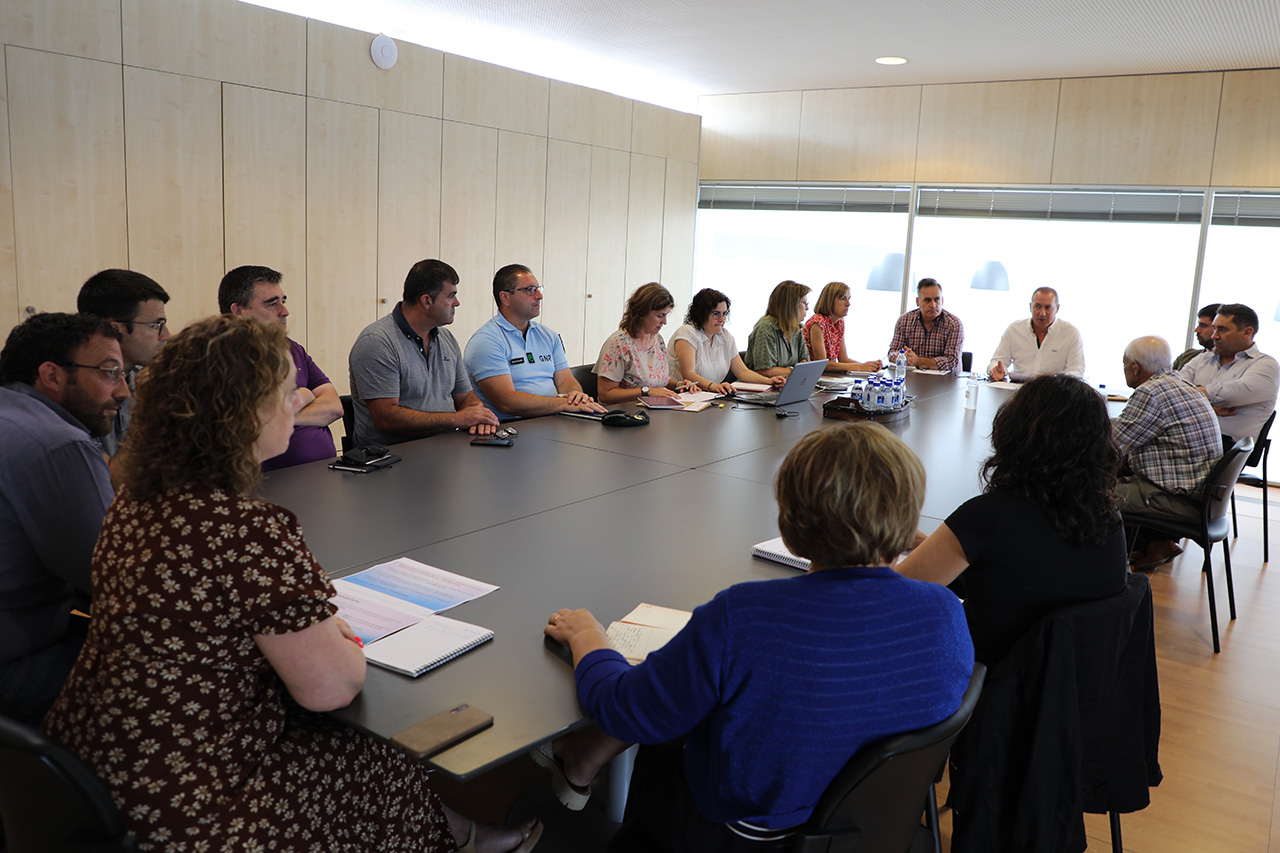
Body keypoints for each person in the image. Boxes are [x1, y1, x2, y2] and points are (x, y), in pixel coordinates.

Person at [42, 315, 541, 853]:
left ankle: (453, 831)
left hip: (90, 758)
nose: (298, 402)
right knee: (379, 749)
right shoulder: (247, 528)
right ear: (244, 414)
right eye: (286, 394)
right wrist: (341, 633)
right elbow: (332, 687)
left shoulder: (134, 500)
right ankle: (447, 839)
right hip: (188, 798)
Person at [542, 422, 973, 851]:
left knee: (673, 731)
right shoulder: (947, 617)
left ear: (790, 523)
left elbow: (622, 709)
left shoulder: (744, 618)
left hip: (740, 836)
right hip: (864, 833)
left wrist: (587, 636)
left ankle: (583, 765)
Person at [897, 374, 1128, 666]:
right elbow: (1009, 573)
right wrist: (926, 545)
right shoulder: (1109, 520)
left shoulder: (987, 518)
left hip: (984, 682)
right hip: (1068, 690)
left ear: (1015, 434)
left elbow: (892, 596)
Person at [0, 313, 124, 725]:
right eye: (110, 373)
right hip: (16, 667)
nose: (122, 391)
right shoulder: (58, 443)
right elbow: (117, 578)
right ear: (51, 375)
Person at [348, 259, 499, 446]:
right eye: (451, 296)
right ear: (427, 301)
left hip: (445, 447)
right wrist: (458, 419)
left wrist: (477, 414)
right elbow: (386, 418)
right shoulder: (376, 342)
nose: (457, 303)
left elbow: (466, 396)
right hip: (392, 456)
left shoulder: (446, 338)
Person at [1115, 336, 1222, 571]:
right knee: (1120, 469)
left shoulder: (1150, 393)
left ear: (1135, 366)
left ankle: (1102, 570)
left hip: (1177, 501)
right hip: (1202, 498)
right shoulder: (1182, 385)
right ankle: (1151, 544)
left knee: (1089, 493)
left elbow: (1113, 443)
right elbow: (1131, 429)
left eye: (1123, 364)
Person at [218, 265, 342, 469]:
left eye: (283, 301)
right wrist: (305, 395)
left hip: (325, 471)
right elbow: (251, 425)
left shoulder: (293, 348)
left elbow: (334, 407)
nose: (285, 311)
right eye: (271, 304)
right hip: (267, 482)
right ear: (238, 311)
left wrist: (281, 417)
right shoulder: (221, 358)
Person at [463, 264, 607, 420]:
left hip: (555, 419)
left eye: (538, 288)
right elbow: (507, 402)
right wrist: (564, 404)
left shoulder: (548, 336)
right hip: (514, 426)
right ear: (505, 298)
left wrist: (575, 395)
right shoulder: (486, 341)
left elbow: (566, 380)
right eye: (529, 290)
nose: (539, 295)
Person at [76, 268, 171, 457]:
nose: (166, 335)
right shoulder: (80, 391)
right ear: (115, 329)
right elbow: (103, 475)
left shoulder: (141, 381)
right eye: (155, 325)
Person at [1177, 302, 1280, 443]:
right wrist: (1212, 408)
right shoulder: (1203, 359)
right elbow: (1172, 391)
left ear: (1247, 332)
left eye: (1222, 330)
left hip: (1224, 448)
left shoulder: (1266, 365)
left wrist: (1191, 393)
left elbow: (1231, 394)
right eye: (1214, 329)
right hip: (1184, 438)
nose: (1214, 336)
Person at [594, 282, 696, 404]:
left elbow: (656, 382)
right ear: (642, 313)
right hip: (625, 414)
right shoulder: (618, 345)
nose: (664, 322)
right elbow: (606, 394)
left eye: (666, 315)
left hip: (652, 411)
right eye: (660, 316)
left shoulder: (657, 339)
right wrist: (645, 391)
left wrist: (679, 385)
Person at [668, 288, 784, 393]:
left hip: (708, 397)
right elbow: (688, 374)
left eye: (724, 314)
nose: (722, 319)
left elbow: (742, 372)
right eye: (716, 314)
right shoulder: (688, 333)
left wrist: (769, 381)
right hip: (681, 397)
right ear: (701, 313)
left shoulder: (725, 336)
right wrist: (713, 386)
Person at [987, 287, 1085, 380]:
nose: (1042, 313)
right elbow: (997, 361)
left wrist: (1054, 377)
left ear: (1057, 308)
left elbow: (1076, 372)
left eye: (1048, 308)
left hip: (1054, 392)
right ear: (1030, 307)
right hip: (1019, 391)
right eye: (1037, 307)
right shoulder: (1014, 330)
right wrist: (996, 370)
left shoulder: (1071, 333)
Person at [803, 281, 883, 372]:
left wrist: (869, 366)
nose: (848, 304)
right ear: (830, 300)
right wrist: (860, 367)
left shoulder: (839, 322)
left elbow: (843, 359)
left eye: (849, 299)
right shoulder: (817, 322)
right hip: (813, 377)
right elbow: (822, 364)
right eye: (843, 299)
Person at [886, 277, 963, 371]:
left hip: (945, 381)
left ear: (942, 300)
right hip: (912, 379)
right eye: (927, 300)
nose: (933, 305)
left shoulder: (953, 324)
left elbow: (952, 361)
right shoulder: (904, 321)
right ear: (918, 301)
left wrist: (918, 361)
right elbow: (892, 352)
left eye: (937, 299)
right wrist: (903, 356)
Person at [743, 280, 811, 378]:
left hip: (785, 384)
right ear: (791, 305)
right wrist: (794, 370)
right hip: (760, 388)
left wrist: (796, 369)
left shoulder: (796, 328)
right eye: (804, 303)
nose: (807, 308)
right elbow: (765, 371)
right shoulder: (766, 328)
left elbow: (805, 362)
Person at [1173, 302, 1220, 371]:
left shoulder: (1230, 363)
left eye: (1203, 326)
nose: (1197, 330)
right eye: (1198, 325)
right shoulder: (1186, 356)